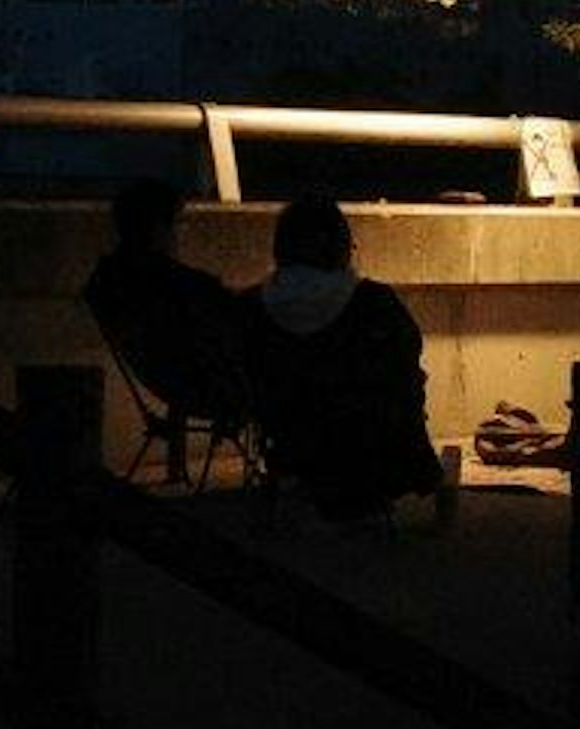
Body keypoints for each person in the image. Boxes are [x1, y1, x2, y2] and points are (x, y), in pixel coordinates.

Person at [240, 194, 447, 520]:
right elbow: (406, 362)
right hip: (367, 445)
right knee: (405, 378)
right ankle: (410, 470)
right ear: (340, 246)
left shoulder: (252, 307)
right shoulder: (374, 303)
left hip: (290, 442)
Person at [80, 178, 252, 475]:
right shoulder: (180, 285)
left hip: (169, 381)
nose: (179, 234)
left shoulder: (110, 281)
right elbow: (232, 313)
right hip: (215, 388)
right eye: (178, 224)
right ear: (159, 228)